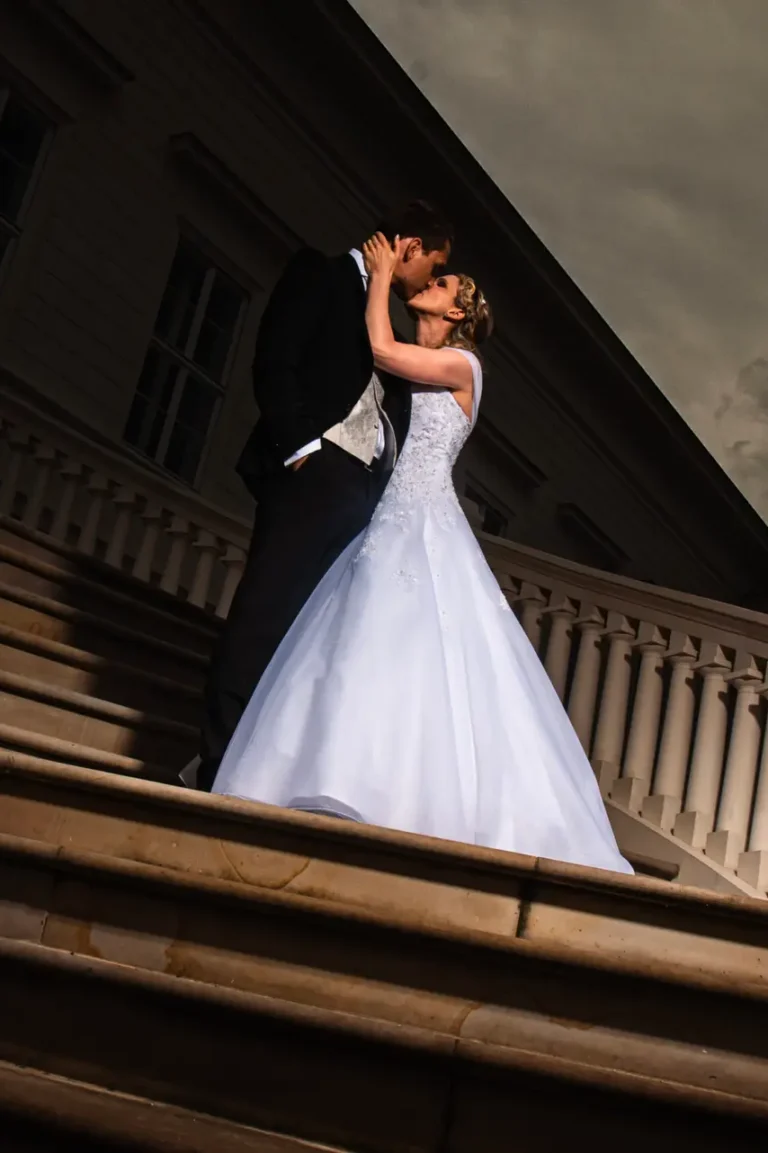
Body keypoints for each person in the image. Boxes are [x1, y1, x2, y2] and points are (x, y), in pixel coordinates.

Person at [211, 232, 632, 876]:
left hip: (423, 525)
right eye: (431, 279)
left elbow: (378, 347)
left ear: (459, 312)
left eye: (440, 285)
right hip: (379, 518)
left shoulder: (465, 367)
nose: (428, 287)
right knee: (353, 649)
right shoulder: (417, 360)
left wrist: (380, 275)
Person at [196, 203, 454, 792]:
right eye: (433, 265)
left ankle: (262, 768)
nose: (424, 279)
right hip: (312, 472)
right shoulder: (320, 272)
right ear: (411, 246)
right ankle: (215, 766)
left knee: (306, 636)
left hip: (360, 490)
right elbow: (275, 359)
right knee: (264, 615)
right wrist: (299, 448)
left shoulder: (382, 314)